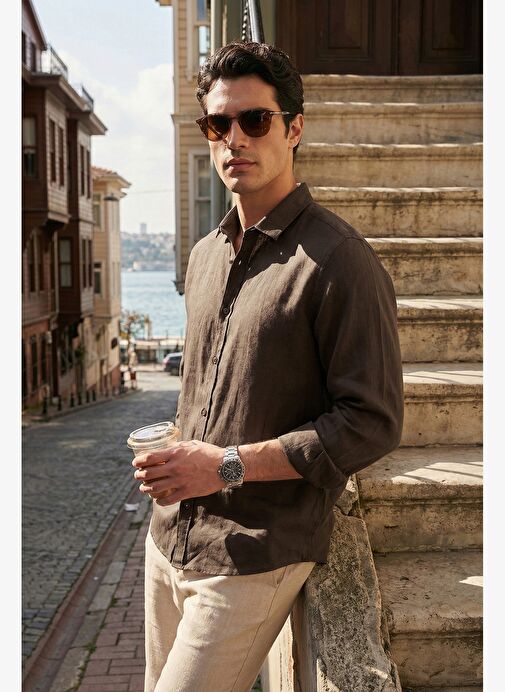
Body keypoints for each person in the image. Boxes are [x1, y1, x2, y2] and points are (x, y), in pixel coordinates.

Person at [132, 41, 404, 692]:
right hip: (168, 539)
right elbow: (205, 394)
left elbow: (369, 422)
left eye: (255, 120)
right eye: (217, 124)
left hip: (255, 552)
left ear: (294, 128)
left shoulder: (339, 260)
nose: (235, 139)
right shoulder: (204, 255)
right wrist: (175, 456)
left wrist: (223, 465)